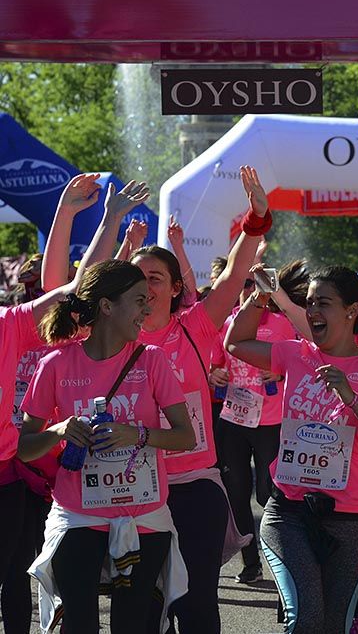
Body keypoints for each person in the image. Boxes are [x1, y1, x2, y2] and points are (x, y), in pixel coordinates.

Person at [80, 165, 271, 633]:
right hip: (132, 489)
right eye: (137, 278)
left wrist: (255, 219)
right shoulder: (109, 336)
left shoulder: (195, 327)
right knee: (142, 609)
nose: (146, 286)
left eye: (155, 277)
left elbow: (235, 276)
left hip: (193, 485)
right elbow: (81, 288)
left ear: (175, 286)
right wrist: (111, 224)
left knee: (197, 602)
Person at [0, 174, 148, 634]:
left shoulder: (12, 325)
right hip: (28, 460)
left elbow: (73, 291)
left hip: (29, 467)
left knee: (16, 573)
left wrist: (100, 218)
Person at [17, 259, 196, 633]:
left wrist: (137, 434)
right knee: (80, 624)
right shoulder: (55, 364)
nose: (147, 309)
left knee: (132, 625)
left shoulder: (151, 360)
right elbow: (26, 448)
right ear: (106, 306)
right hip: (78, 516)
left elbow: (185, 436)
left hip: (144, 517)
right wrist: (60, 430)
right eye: (139, 300)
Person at [225, 266, 358, 634]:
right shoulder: (296, 353)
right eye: (309, 303)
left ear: (352, 311)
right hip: (289, 511)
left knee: (334, 625)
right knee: (305, 619)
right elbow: (236, 343)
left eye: (323, 303)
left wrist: (351, 396)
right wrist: (261, 295)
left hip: (351, 517)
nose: (312, 312)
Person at [213, 265, 299, 584]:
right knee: (236, 494)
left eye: (254, 284)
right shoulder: (227, 323)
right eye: (244, 284)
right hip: (233, 420)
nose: (249, 290)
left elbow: (300, 362)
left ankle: (281, 555)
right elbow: (214, 363)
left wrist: (280, 373)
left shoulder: (281, 323)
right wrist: (214, 374)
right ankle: (251, 564)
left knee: (267, 494)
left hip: (270, 422)